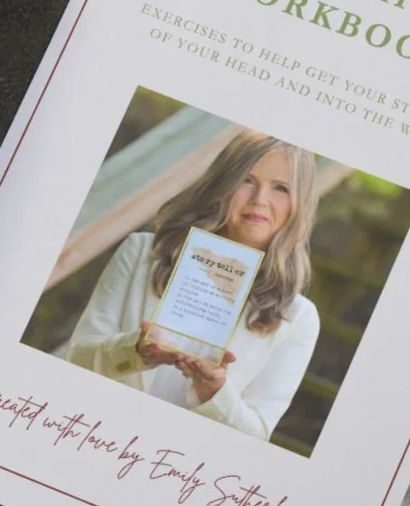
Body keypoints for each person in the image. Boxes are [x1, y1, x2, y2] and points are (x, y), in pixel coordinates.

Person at [64, 130, 320, 441]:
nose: (259, 200)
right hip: (92, 429)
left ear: (299, 205)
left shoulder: (299, 317)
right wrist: (134, 351)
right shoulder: (142, 253)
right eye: (247, 180)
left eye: (280, 188)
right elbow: (76, 357)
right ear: (224, 184)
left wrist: (215, 392)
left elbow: (256, 435)